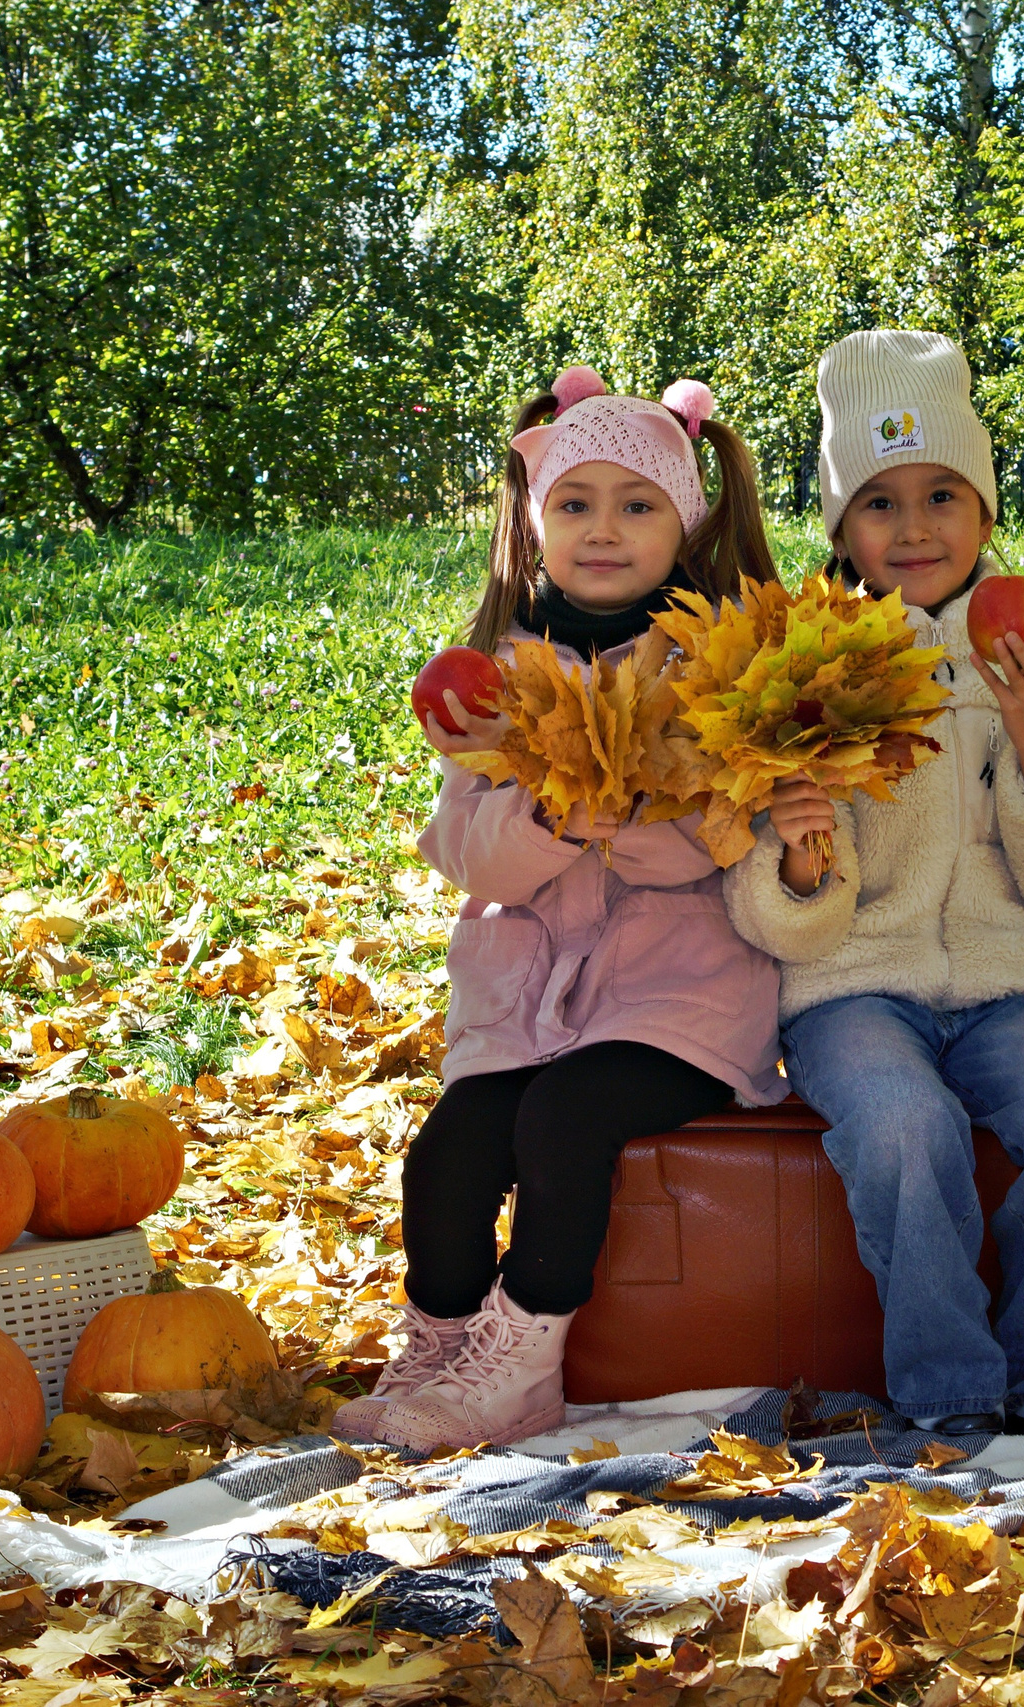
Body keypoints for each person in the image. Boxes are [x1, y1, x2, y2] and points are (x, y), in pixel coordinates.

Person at [336, 365, 786, 1454]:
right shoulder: (495, 677)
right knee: (449, 1152)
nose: (603, 530)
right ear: (538, 525)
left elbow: (711, 841)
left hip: (674, 994)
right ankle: (441, 1342)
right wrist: (550, 813)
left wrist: (613, 812)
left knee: (564, 1122)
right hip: (528, 997)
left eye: (637, 506)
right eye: (575, 505)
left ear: (680, 526)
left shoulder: (711, 665)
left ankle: (524, 1357)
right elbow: (463, 849)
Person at [724, 330, 1024, 1438]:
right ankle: (951, 1393)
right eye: (878, 502)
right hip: (855, 990)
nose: (913, 528)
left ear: (986, 510)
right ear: (838, 525)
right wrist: (803, 866)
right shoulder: (812, 661)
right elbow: (774, 909)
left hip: (1011, 988)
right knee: (907, 1129)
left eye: (942, 494)